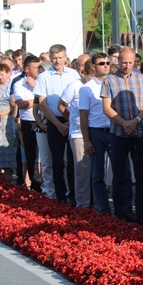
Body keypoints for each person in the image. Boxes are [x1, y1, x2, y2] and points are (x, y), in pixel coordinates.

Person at [102, 47, 143, 225]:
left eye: (131, 63)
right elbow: (106, 108)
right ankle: (120, 214)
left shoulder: (141, 79)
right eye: (124, 62)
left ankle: (141, 214)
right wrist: (124, 123)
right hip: (118, 133)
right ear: (118, 61)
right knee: (119, 175)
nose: (127, 66)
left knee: (140, 176)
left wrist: (136, 120)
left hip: (139, 132)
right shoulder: (109, 80)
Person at [34, 44, 80, 204]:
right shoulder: (44, 77)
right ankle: (60, 196)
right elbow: (42, 103)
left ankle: (74, 195)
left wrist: (69, 121)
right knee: (57, 161)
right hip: (54, 121)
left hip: (72, 120)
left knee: (73, 161)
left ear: (65, 58)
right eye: (54, 58)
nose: (58, 61)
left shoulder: (74, 74)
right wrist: (59, 125)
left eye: (60, 57)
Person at [79, 52, 113, 214]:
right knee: (97, 173)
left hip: (114, 130)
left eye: (107, 62)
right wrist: (86, 140)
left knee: (122, 172)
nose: (105, 65)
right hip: (96, 132)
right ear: (93, 66)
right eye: (101, 63)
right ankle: (103, 208)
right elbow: (83, 116)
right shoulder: (86, 89)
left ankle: (123, 209)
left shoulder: (115, 83)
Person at [58, 54, 92, 209]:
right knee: (81, 170)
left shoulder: (100, 85)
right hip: (78, 133)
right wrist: (72, 119)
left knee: (94, 170)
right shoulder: (75, 85)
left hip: (95, 131)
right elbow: (62, 105)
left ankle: (95, 202)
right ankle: (82, 204)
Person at [12, 55, 43, 191]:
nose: (38, 70)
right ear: (27, 69)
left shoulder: (42, 81)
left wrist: (35, 89)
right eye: (35, 67)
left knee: (45, 155)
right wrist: (37, 101)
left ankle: (47, 184)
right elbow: (21, 104)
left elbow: (47, 100)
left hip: (43, 119)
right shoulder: (19, 84)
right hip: (28, 122)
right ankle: (35, 185)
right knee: (31, 154)